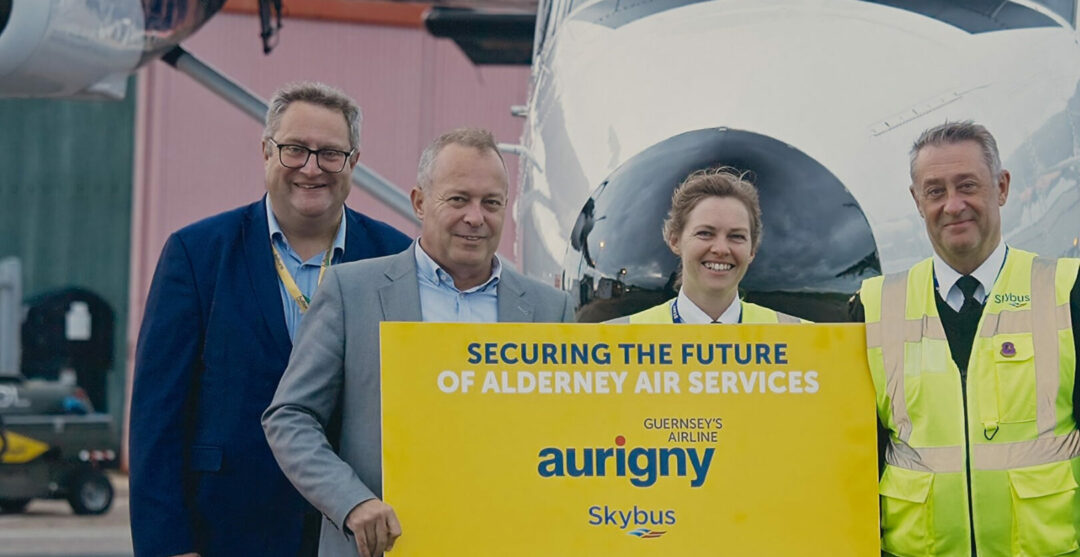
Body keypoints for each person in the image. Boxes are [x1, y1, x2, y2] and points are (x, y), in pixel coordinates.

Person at [129, 82, 411, 557]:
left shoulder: (396, 257)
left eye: (330, 154)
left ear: (354, 163)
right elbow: (158, 417)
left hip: (355, 534)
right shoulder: (198, 255)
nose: (311, 167)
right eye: (295, 149)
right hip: (226, 529)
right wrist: (168, 545)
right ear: (265, 151)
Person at [262, 128, 574, 557]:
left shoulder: (549, 309)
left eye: (492, 203)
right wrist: (352, 501)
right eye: (458, 199)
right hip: (380, 547)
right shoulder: (351, 292)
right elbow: (290, 417)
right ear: (420, 202)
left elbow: (569, 436)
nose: (475, 217)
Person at [848, 121, 1080, 557]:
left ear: (1001, 187)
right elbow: (854, 455)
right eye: (935, 191)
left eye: (967, 185)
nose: (952, 205)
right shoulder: (871, 309)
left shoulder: (1069, 293)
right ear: (916, 200)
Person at [613, 167, 802, 324]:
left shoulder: (803, 340)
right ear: (674, 240)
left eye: (736, 236)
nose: (720, 249)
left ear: (752, 250)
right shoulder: (616, 341)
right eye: (705, 233)